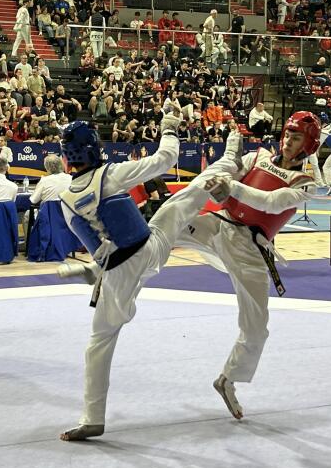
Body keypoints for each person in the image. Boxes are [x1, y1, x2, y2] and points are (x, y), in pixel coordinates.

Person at [54, 105, 234, 441]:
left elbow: (96, 244)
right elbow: (166, 158)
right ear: (94, 146)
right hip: (149, 249)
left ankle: (93, 417)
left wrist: (97, 267)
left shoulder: (64, 200)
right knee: (182, 203)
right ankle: (232, 161)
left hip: (118, 271)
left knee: (99, 342)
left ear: (66, 157)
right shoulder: (111, 174)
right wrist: (169, 124)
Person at [177, 117, 322, 419]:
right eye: (287, 134)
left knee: (256, 330)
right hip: (218, 225)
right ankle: (112, 262)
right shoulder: (256, 156)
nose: (288, 141)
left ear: (308, 145)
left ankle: (227, 380)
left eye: (296, 138)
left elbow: (270, 202)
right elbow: (228, 172)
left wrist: (232, 189)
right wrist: (222, 181)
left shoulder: (305, 184)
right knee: (166, 225)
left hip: (250, 248)